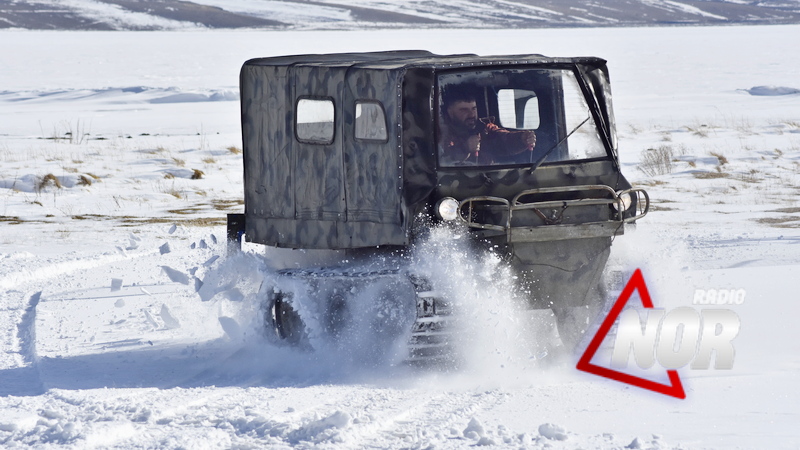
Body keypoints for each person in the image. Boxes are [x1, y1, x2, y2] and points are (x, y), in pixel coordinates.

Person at [439, 86, 536, 165]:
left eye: (474, 108)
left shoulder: (485, 129)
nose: (472, 114)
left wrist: (522, 138)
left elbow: (503, 139)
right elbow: (443, 160)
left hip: (488, 183)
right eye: (464, 110)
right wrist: (465, 148)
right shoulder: (441, 134)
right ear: (450, 112)